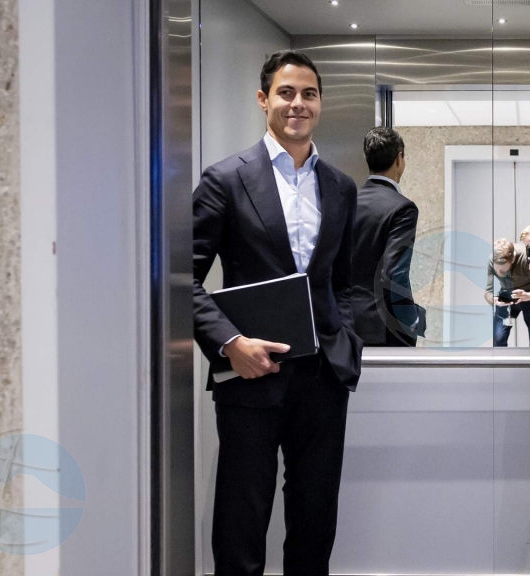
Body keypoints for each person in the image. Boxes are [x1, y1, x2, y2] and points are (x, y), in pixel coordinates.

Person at [192, 51, 363, 575]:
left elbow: (345, 281)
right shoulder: (225, 179)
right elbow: (180, 280)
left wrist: (345, 338)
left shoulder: (340, 186)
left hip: (321, 376)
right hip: (251, 372)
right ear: (263, 99)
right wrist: (229, 343)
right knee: (242, 517)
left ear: (320, 103)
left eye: (309, 94)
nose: (298, 104)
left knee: (316, 518)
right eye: (286, 93)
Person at [351, 126, 421, 347]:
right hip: (385, 328)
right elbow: (394, 274)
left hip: (345, 324)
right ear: (399, 158)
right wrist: (411, 321)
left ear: (367, 158)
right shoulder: (402, 208)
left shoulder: (348, 202)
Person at [485, 238, 530, 347]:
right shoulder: (492, 259)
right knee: (498, 340)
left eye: (503, 270)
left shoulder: (526, 258)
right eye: (496, 270)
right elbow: (488, 292)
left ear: (513, 259)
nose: (499, 273)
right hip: (507, 296)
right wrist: (494, 300)